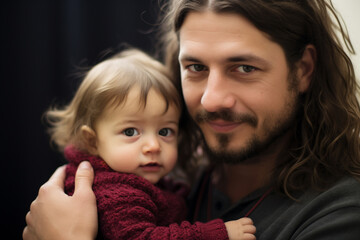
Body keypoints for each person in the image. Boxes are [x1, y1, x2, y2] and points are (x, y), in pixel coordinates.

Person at [23, 0, 360, 239]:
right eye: (196, 68)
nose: (211, 99)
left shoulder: (339, 213)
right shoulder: (170, 175)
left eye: (244, 68)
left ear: (303, 71)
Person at [28, 48, 256, 240]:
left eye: (165, 131)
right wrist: (216, 233)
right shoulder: (114, 193)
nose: (153, 146)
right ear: (93, 141)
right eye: (130, 131)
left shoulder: (134, 179)